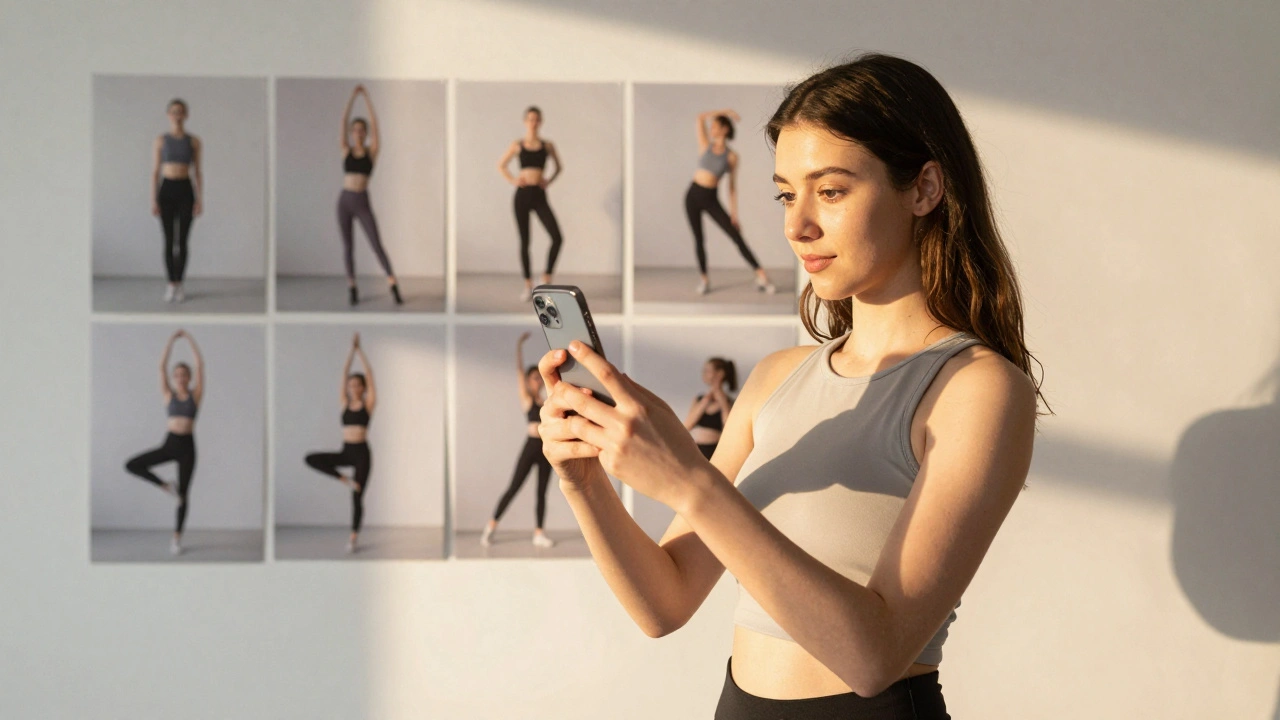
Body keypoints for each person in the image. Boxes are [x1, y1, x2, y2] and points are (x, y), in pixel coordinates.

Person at [537, 54, 1045, 718]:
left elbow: (875, 658)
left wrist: (689, 481)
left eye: (829, 191)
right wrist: (583, 481)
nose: (795, 225)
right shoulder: (779, 376)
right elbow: (665, 602)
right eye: (785, 194)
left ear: (923, 189)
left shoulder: (977, 390)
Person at [124, 329, 205, 555]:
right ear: (173, 378)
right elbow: (161, 367)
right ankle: (165, 485)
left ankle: (176, 538)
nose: (180, 378)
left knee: (184, 496)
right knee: (132, 465)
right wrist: (170, 341)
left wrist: (189, 339)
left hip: (188, 447)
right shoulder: (168, 395)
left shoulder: (196, 395)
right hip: (170, 444)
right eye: (177, 375)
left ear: (189, 378)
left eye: (184, 374)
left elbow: (200, 365)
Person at [686, 108, 775, 296]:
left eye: (716, 126)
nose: (712, 129)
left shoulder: (732, 157)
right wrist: (726, 111)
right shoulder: (705, 145)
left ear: (725, 129)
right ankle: (704, 279)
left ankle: (761, 275)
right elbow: (699, 117)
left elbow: (732, 187)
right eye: (712, 126)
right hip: (692, 196)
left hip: (710, 197)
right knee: (699, 239)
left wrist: (734, 214)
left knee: (735, 235)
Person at [481, 332, 557, 549]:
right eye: (533, 377)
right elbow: (518, 371)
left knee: (542, 492)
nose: (537, 380)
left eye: (539, 378)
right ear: (528, 381)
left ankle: (539, 533)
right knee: (514, 487)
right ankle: (491, 526)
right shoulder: (527, 399)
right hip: (531, 446)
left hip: (546, 449)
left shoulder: (545, 400)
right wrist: (518, 345)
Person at [304, 333, 377, 553]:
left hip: (362, 453)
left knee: (357, 496)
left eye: (357, 385)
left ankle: (353, 538)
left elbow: (370, 374)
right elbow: (344, 373)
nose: (353, 387)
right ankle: (345, 480)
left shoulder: (368, 404)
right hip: (346, 451)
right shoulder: (344, 403)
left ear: (363, 388)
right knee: (311, 459)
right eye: (351, 385)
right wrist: (350, 352)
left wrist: (360, 352)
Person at [338, 84, 403, 307]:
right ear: (351, 133)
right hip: (344, 201)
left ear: (365, 133)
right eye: (355, 130)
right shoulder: (346, 150)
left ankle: (393, 284)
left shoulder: (372, 152)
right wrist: (351, 98)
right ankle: (352, 287)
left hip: (361, 200)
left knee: (376, 244)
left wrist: (365, 98)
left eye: (361, 130)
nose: (358, 133)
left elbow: (375, 124)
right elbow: (343, 122)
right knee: (348, 246)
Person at [498, 106, 564, 302]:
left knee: (557, 237)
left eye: (536, 119)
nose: (533, 122)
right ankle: (528, 285)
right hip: (522, 196)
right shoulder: (518, 145)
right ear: (525, 122)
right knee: (525, 241)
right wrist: (513, 180)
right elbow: (501, 165)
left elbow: (559, 167)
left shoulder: (548, 145)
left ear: (540, 122)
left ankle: (546, 278)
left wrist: (549, 180)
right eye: (530, 119)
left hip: (539, 195)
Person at [150, 99, 202, 303]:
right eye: (173, 111)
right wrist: (154, 200)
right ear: (168, 115)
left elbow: (198, 172)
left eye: (180, 111)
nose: (176, 115)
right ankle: (170, 284)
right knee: (169, 240)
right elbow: (155, 172)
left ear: (186, 115)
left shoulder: (194, 141)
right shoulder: (160, 141)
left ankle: (180, 283)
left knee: (183, 241)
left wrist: (199, 199)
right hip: (167, 190)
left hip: (185, 189)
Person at [685, 357, 737, 460]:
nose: (704, 374)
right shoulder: (700, 399)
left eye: (707, 371)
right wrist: (706, 400)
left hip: (713, 451)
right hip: (694, 449)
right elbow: (687, 425)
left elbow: (729, 427)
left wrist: (722, 399)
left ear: (720, 373)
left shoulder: (729, 402)